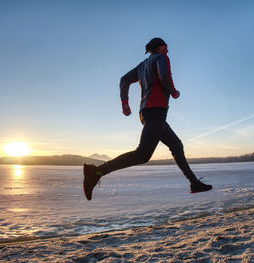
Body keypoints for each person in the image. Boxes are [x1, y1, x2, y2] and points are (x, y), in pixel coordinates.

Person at [83, 37, 212, 201]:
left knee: (177, 146)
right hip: (156, 111)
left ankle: (194, 183)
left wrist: (125, 103)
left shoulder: (142, 65)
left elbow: (124, 80)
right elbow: (164, 75)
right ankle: (96, 171)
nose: (168, 50)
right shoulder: (161, 57)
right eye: (166, 47)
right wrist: (173, 91)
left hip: (147, 113)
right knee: (142, 154)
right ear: (160, 47)